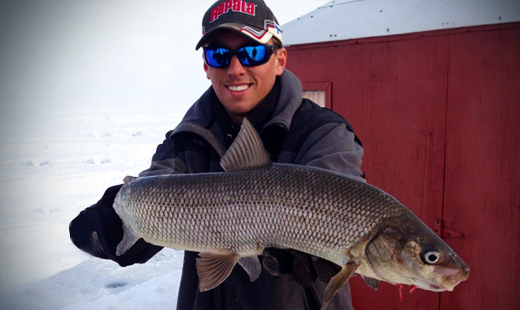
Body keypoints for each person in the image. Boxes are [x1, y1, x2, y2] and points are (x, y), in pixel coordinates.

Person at [69, 0, 365, 309]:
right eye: (219, 55)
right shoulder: (186, 142)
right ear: (206, 66)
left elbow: (338, 185)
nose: (236, 69)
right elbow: (142, 223)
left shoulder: (322, 132)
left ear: (279, 60)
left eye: (252, 52)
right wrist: (113, 221)